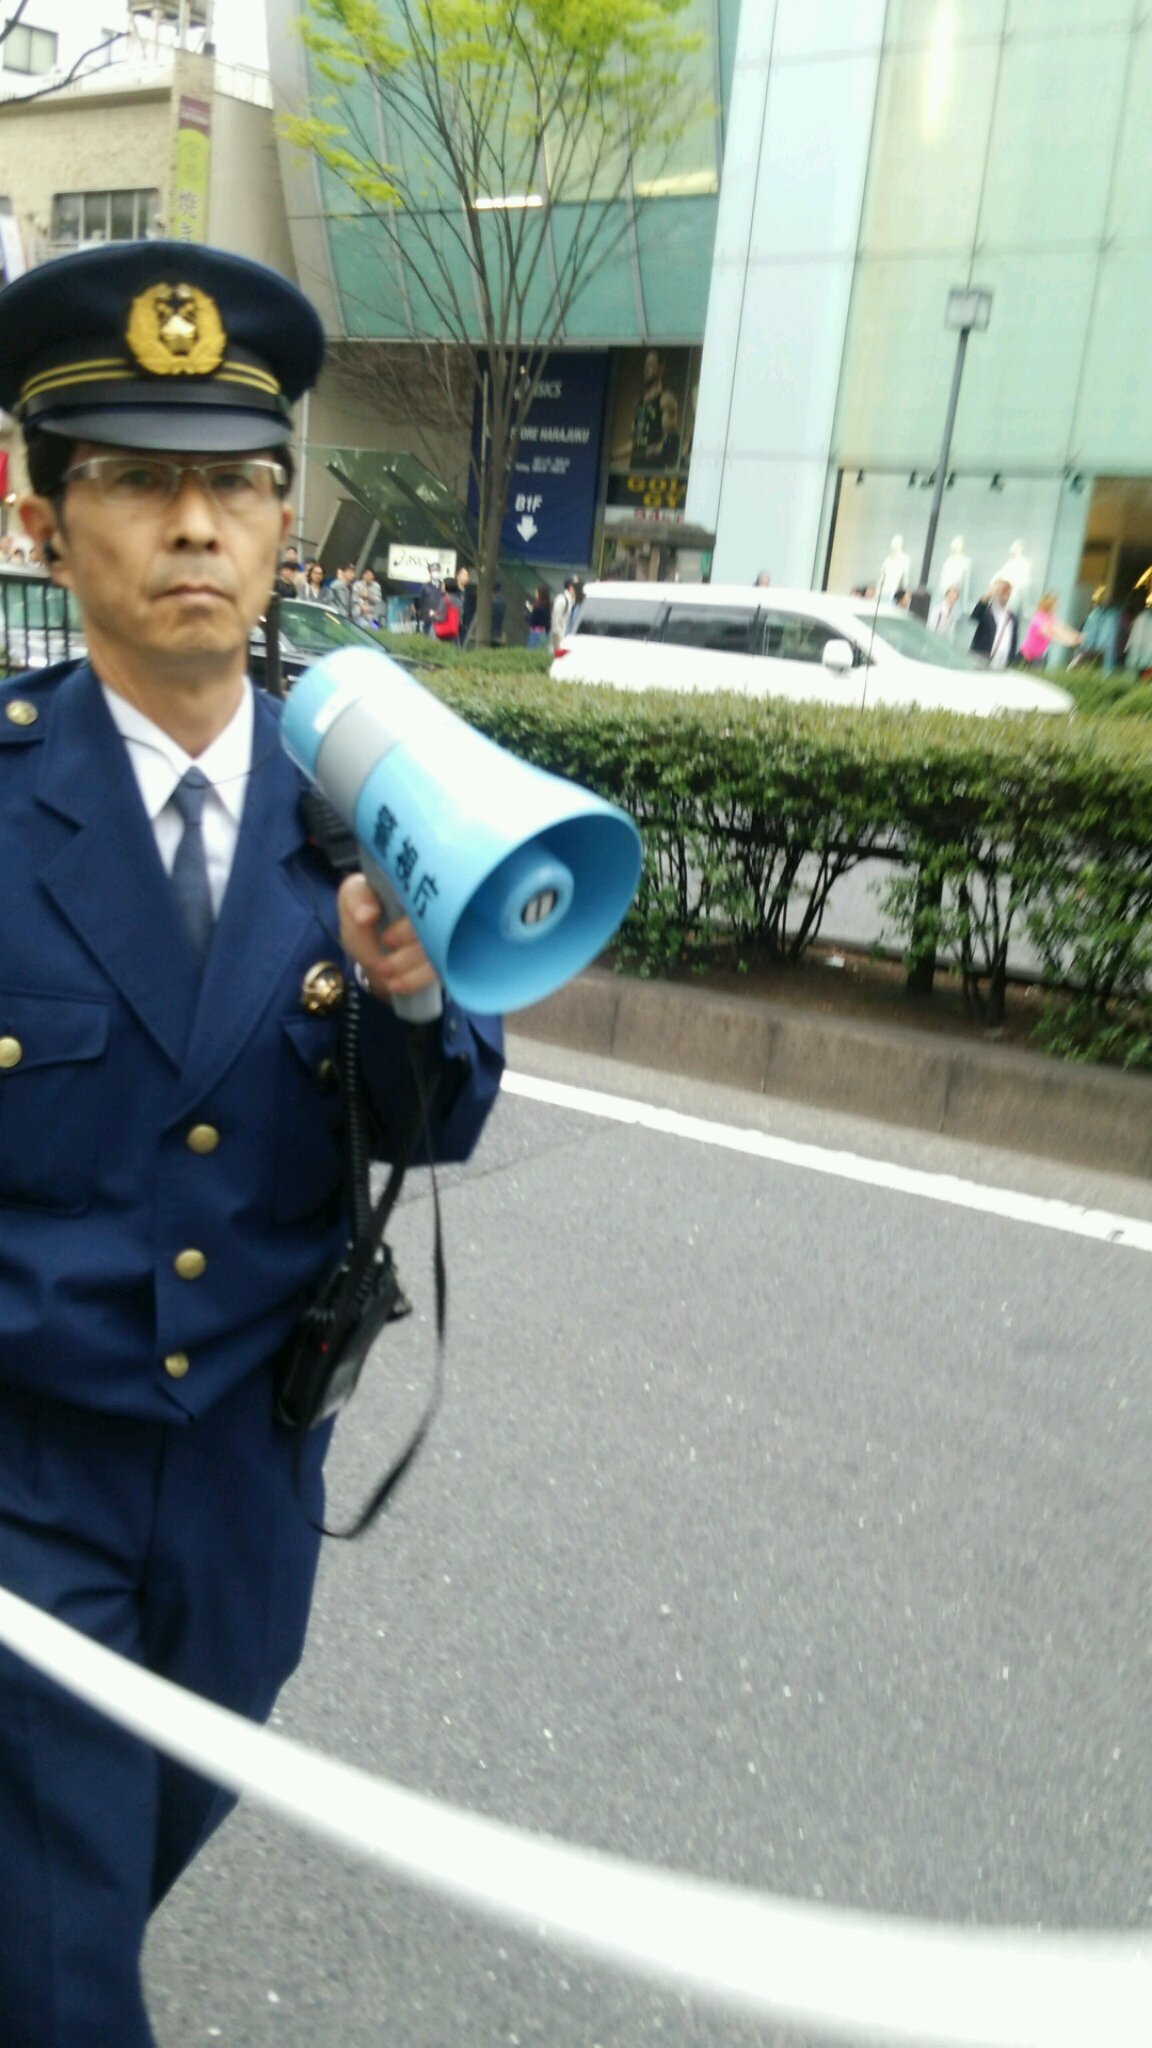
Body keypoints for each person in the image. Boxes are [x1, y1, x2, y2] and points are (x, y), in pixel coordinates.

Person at [0, 238, 504, 2048]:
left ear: (287, 527)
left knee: (116, 1854)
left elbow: (441, 1110)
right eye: (139, 479)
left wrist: (415, 998)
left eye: (237, 482)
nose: (196, 523)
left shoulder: (371, 798)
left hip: (246, 1480)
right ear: (50, 527)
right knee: (58, 1964)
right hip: (23, 1473)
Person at [1019, 591, 1081, 667]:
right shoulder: (1038, 618)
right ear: (1048, 605)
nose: (1057, 606)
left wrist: (1075, 635)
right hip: (1026, 657)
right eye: (1055, 604)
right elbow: (1052, 633)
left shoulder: (1051, 617)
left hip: (1039, 656)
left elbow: (1062, 627)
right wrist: (1069, 641)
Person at [969, 577, 1019, 667]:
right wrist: (988, 594)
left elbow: (1013, 643)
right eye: (1001, 592)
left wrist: (1012, 662)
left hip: (1002, 661)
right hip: (982, 658)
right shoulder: (986, 611)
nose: (1004, 596)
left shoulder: (1012, 618)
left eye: (1007, 593)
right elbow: (975, 615)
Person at [550, 573, 578, 650]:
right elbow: (556, 621)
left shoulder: (575, 601)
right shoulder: (562, 599)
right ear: (570, 586)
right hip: (560, 643)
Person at [526, 583, 551, 649]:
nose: (536, 594)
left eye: (537, 593)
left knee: (531, 652)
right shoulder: (547, 606)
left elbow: (533, 622)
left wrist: (527, 616)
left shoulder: (537, 607)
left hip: (535, 633)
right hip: (544, 633)